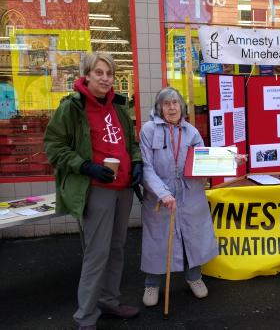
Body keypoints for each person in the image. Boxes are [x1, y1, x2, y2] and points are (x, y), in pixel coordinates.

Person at [44, 53, 142, 330]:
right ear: (87, 75)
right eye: (99, 72)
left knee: (116, 248)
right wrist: (85, 166)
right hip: (96, 189)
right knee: (97, 254)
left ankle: (109, 301)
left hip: (122, 188)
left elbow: (130, 142)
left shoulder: (119, 107)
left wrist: (136, 163)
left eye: (109, 74)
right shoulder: (72, 107)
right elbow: (54, 146)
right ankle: (85, 318)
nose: (105, 78)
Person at [139, 87, 247, 307]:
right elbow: (146, 168)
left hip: (190, 193)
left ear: (182, 107)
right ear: (159, 107)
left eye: (175, 103)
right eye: (166, 103)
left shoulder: (191, 132)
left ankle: (194, 277)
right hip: (161, 197)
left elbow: (203, 162)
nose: (171, 107)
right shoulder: (148, 130)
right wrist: (163, 193)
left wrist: (230, 161)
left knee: (192, 236)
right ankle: (152, 283)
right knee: (158, 241)